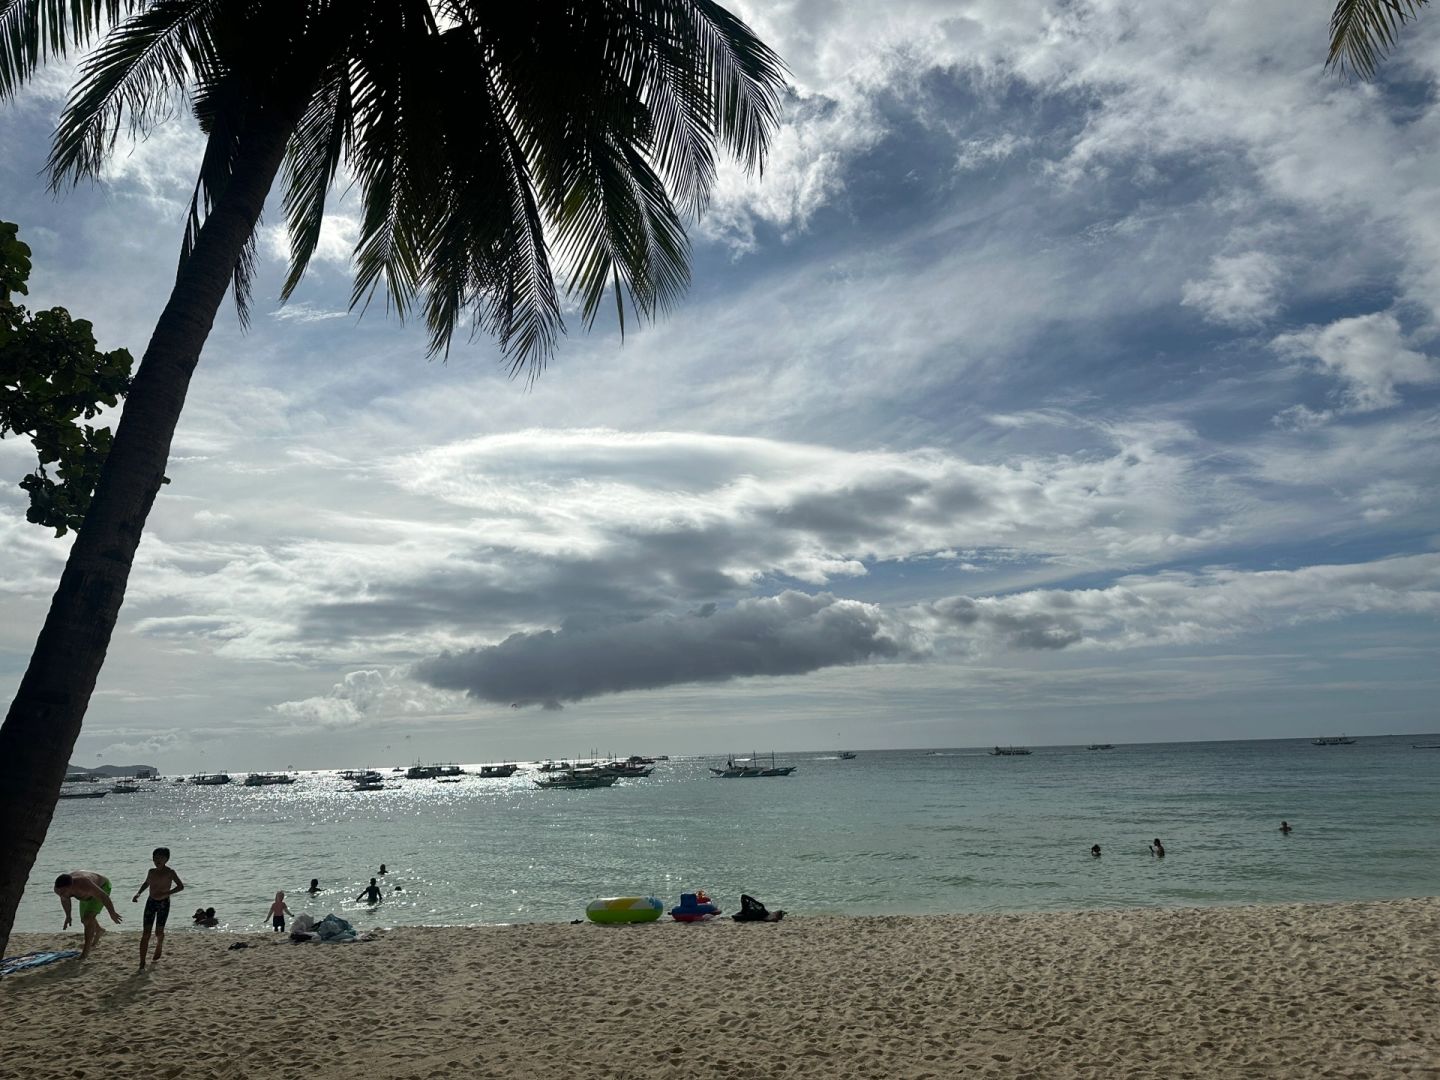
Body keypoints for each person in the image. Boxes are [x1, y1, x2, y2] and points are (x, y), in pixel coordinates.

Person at [131, 847, 185, 970]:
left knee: (158, 932)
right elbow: (146, 883)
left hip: (164, 903)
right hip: (151, 902)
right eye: (155, 858)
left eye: (160, 858)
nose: (157, 860)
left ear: (167, 859)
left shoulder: (170, 872)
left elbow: (181, 886)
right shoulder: (151, 871)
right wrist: (138, 893)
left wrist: (166, 893)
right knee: (146, 933)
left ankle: (159, 944)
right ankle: (142, 962)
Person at [53, 871, 122, 959]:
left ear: (71, 886)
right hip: (85, 897)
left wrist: (112, 913)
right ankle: (99, 930)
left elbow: (104, 897)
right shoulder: (58, 889)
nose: (61, 894)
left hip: (102, 887)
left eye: (63, 891)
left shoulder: (84, 885)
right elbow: (65, 900)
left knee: (88, 919)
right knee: (85, 920)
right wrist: (68, 916)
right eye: (59, 892)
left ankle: (85, 953)